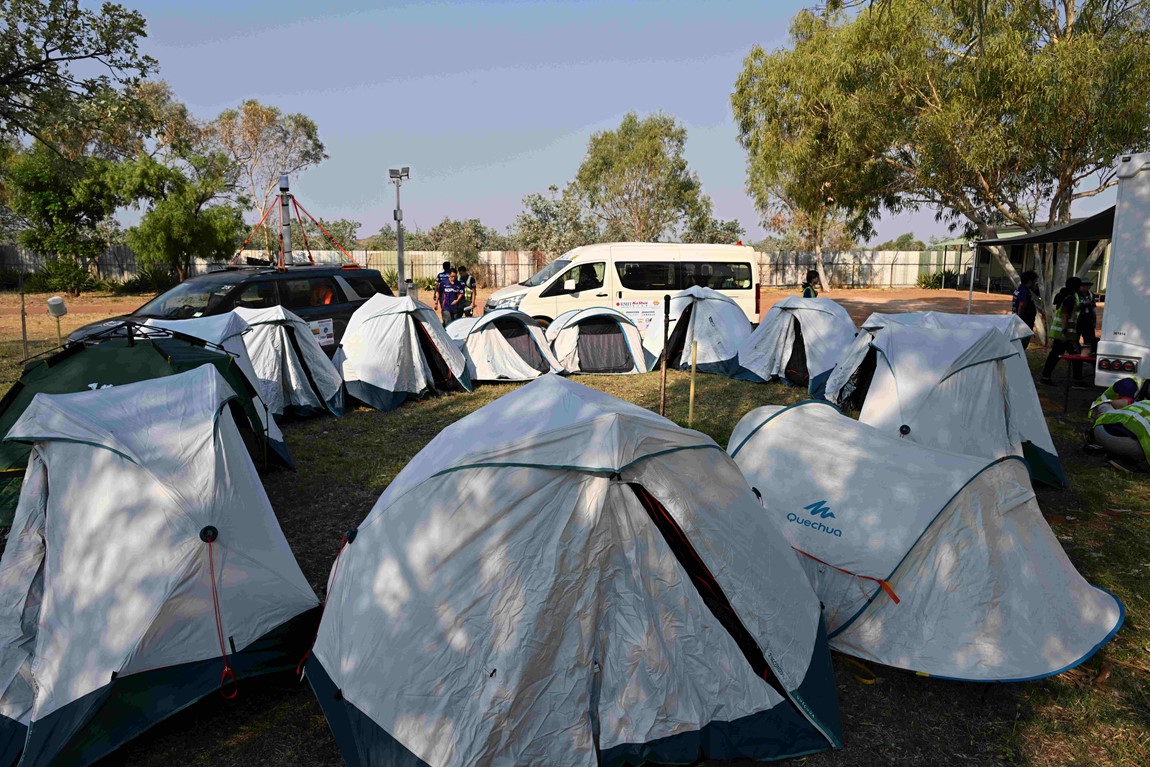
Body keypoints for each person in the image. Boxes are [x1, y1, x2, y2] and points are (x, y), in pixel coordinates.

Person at [1040, 276, 1084, 386]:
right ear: (1077, 287)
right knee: (1077, 355)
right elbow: (1065, 315)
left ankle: (1046, 377)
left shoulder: (1065, 296)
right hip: (1066, 334)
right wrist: (1064, 332)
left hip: (1061, 333)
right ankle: (1077, 380)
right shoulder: (1070, 298)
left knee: (1055, 355)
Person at [1012, 270, 1040, 349]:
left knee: (1021, 344)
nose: (1036, 284)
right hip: (1023, 322)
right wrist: (1020, 319)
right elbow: (1021, 305)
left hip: (1022, 321)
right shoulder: (1024, 291)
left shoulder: (1020, 289)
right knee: (1022, 344)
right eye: (1035, 282)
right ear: (1030, 282)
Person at [1077, 279, 1098, 357]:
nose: (1086, 287)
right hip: (1078, 320)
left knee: (1089, 340)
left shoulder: (1091, 295)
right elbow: (1075, 307)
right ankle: (1078, 354)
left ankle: (1088, 355)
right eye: (1083, 286)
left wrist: (1095, 320)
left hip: (1089, 320)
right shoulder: (1076, 295)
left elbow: (1094, 309)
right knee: (1076, 339)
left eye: (1087, 286)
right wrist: (1084, 304)